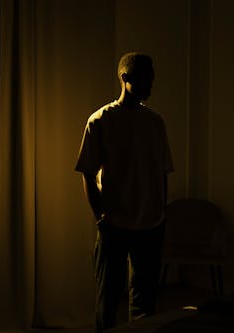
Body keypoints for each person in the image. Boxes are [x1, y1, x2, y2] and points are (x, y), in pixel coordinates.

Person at [75, 52, 174, 332]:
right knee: (107, 303)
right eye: (146, 79)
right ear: (125, 78)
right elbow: (87, 171)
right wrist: (101, 218)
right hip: (114, 225)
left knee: (145, 303)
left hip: (150, 224)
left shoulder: (156, 123)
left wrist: (161, 213)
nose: (151, 85)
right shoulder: (101, 120)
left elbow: (162, 172)